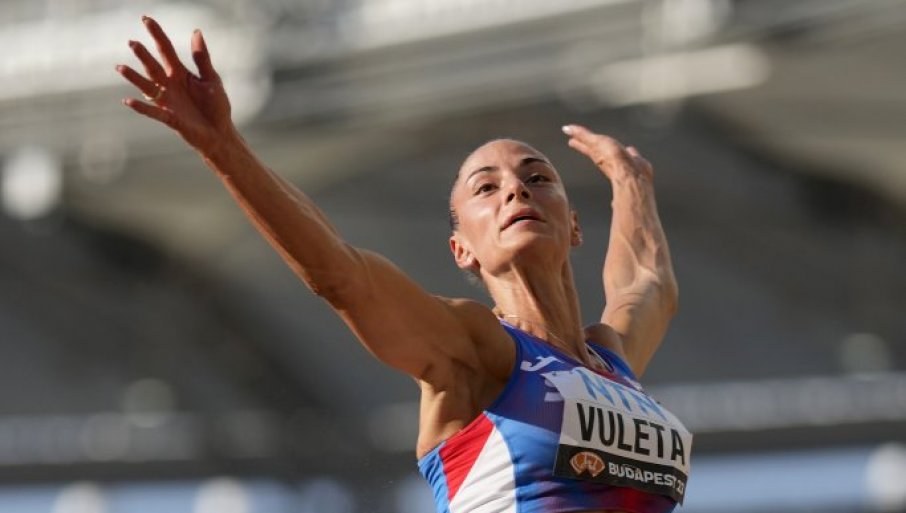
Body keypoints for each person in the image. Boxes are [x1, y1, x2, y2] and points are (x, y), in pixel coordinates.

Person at [116, 16, 692, 513]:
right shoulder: (475, 350)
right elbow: (341, 275)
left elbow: (648, 285)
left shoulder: (610, 360)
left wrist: (630, 180)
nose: (516, 190)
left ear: (574, 225)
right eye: (486, 188)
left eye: (537, 177)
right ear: (461, 249)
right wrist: (223, 147)